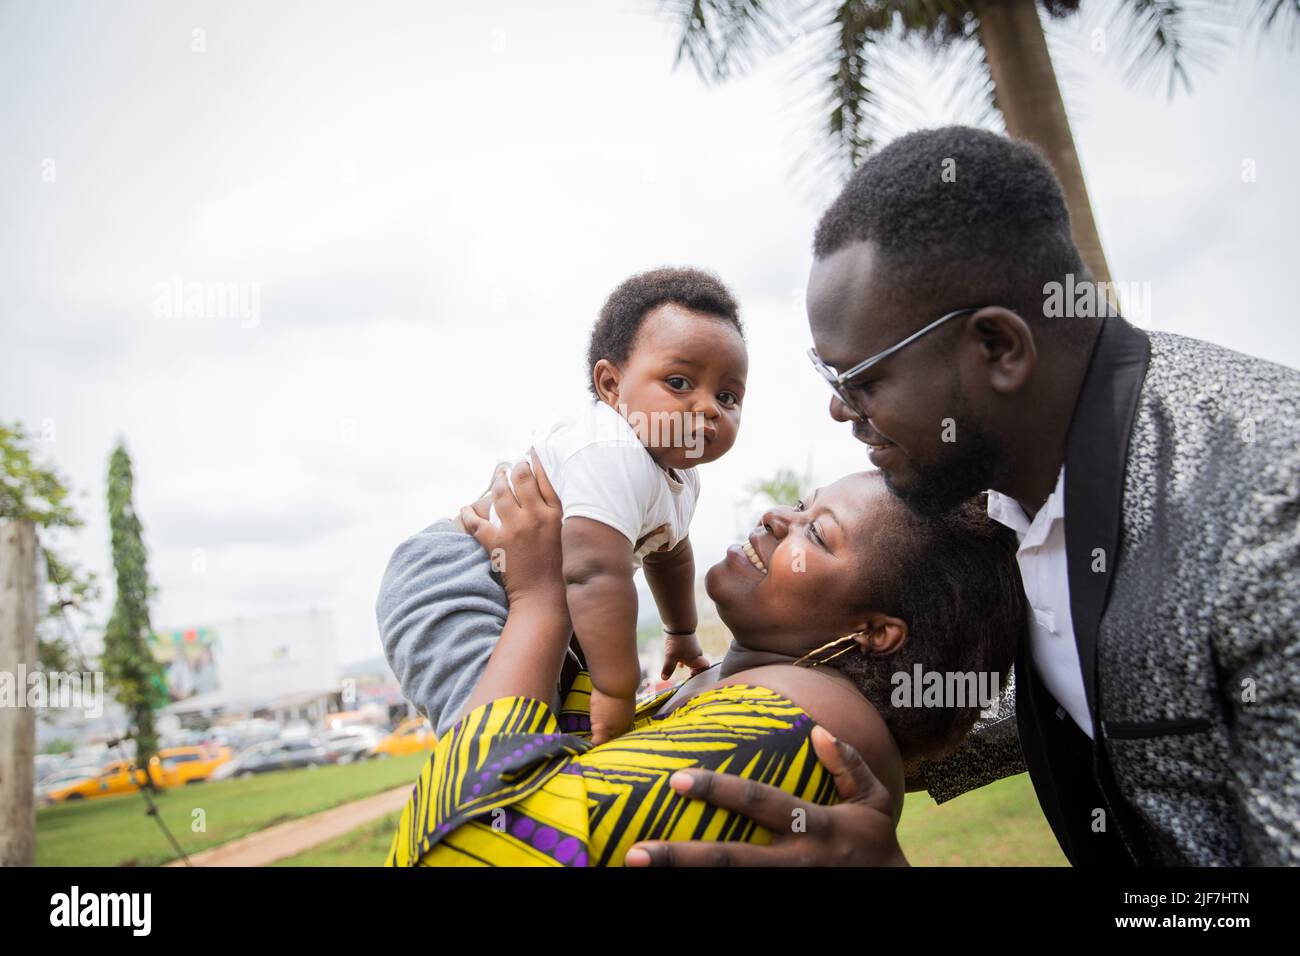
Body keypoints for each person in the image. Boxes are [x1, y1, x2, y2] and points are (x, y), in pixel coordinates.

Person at [633, 125, 1298, 866]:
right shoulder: (1004, 514)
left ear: (998, 348)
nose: (840, 409)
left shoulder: (1269, 504)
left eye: (861, 379)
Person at [382, 455, 1025, 866]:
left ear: (876, 631)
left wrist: (539, 604)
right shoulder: (730, 683)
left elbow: (463, 847)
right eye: (803, 505)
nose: (777, 517)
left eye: (819, 534)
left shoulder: (814, 724)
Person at [387, 267, 748, 745]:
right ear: (611, 386)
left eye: (727, 396)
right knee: (496, 743)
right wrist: (616, 693)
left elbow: (670, 552)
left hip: (540, 588)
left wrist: (680, 630)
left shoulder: (682, 477)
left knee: (553, 730)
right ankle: (480, 775)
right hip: (460, 574)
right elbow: (595, 574)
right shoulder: (611, 450)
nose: (707, 408)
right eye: (679, 382)